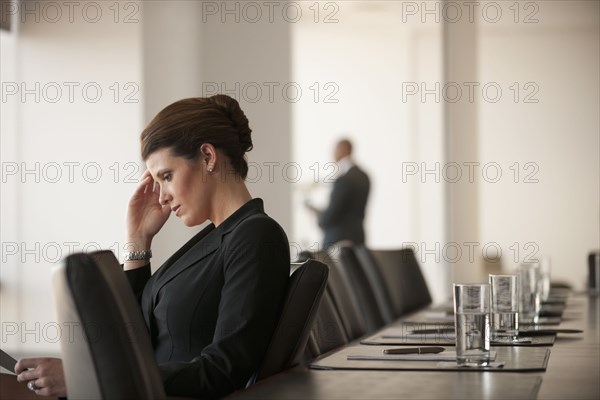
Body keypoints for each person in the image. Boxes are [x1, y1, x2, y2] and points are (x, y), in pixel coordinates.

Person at [15, 95, 291, 399]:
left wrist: (84, 378)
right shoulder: (218, 237)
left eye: (167, 176)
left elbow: (223, 371)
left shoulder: (255, 236)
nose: (161, 197)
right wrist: (138, 240)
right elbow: (136, 339)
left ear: (208, 157)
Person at [306, 139, 370, 249]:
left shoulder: (344, 179)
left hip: (338, 241)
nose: (333, 153)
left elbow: (332, 214)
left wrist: (318, 214)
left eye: (335, 149)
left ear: (343, 149)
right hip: (358, 239)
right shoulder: (364, 177)